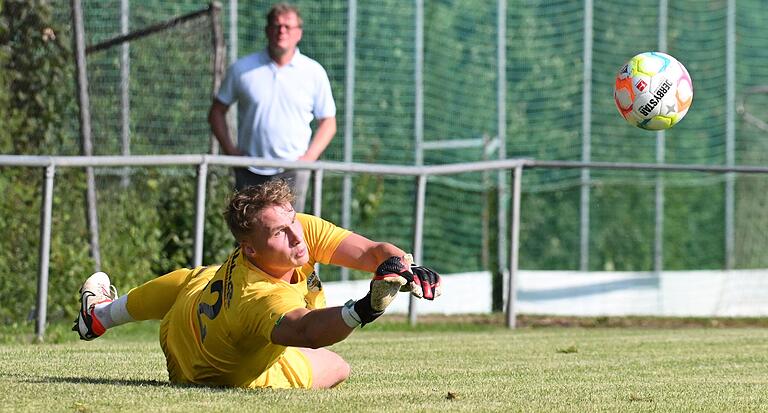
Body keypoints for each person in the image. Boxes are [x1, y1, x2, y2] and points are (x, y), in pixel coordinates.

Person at [72, 179, 441, 389]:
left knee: (195, 278)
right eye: (280, 233)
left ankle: (101, 316)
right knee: (338, 367)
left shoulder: (295, 232)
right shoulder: (258, 296)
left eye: (292, 221)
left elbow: (371, 252)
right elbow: (309, 331)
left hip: (184, 322)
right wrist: (367, 308)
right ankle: (101, 315)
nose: (297, 237)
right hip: (209, 377)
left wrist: (403, 265)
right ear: (249, 248)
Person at [208, 2, 337, 212]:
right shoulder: (242, 69)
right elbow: (216, 113)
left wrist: (307, 159)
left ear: (299, 33)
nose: (282, 31)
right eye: (277, 26)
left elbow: (329, 122)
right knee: (248, 235)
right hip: (249, 170)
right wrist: (231, 152)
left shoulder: (313, 72)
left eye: (288, 26)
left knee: (290, 235)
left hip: (293, 171)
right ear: (267, 30)